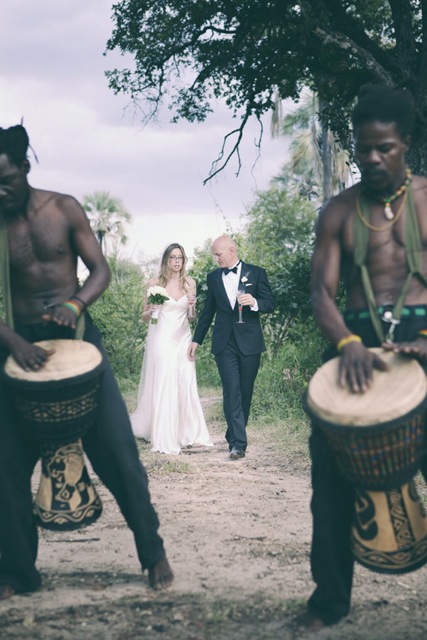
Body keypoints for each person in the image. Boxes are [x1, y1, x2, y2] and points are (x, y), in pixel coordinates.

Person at [0, 124, 173, 601]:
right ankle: (17, 572)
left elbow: (101, 270)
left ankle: (152, 551)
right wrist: (13, 341)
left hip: (77, 337)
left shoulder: (63, 208)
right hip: (21, 347)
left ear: (24, 169)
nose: (0, 192)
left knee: (120, 454)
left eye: (5, 181)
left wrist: (75, 305)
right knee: (5, 466)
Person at [301, 84, 427, 632]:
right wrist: (348, 344)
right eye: (363, 148)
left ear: (406, 144)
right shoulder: (338, 211)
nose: (372, 158)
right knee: (329, 487)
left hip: (421, 342)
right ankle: (328, 602)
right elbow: (320, 294)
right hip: (354, 352)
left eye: (385, 148)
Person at [188, 235, 275, 460]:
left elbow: (270, 303)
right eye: (214, 255)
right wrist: (196, 340)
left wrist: (254, 302)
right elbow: (208, 312)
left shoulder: (256, 273)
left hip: (250, 343)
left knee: (245, 392)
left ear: (231, 250)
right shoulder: (213, 277)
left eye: (218, 254)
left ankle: (233, 432)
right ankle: (237, 444)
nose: (216, 259)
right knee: (231, 391)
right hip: (224, 343)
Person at [131, 242, 213, 454]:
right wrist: (152, 310)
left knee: (186, 381)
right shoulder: (154, 283)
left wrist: (193, 307)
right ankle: (163, 434)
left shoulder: (190, 283)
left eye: (180, 258)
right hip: (162, 338)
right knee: (165, 381)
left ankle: (187, 433)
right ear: (166, 260)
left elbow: (191, 318)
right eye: (173, 257)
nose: (177, 262)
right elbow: (144, 316)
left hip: (183, 338)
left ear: (184, 261)